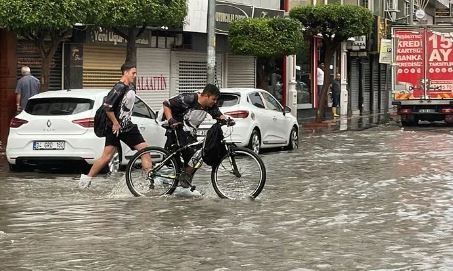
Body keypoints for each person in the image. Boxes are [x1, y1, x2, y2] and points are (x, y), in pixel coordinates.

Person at [79, 63, 153, 188]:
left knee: (106, 157)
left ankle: (85, 181)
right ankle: (151, 181)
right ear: (125, 72)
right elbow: (108, 107)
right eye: (133, 73)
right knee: (145, 149)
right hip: (122, 127)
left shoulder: (130, 87)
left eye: (135, 73)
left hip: (117, 128)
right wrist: (115, 123)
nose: (135, 75)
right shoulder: (119, 88)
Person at [162, 84, 226, 189]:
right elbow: (166, 103)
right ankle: (181, 179)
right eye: (213, 99)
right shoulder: (189, 99)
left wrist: (226, 120)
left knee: (200, 156)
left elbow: (218, 114)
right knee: (194, 155)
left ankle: (184, 181)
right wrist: (170, 120)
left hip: (189, 134)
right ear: (206, 95)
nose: (215, 102)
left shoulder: (209, 106)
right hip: (176, 129)